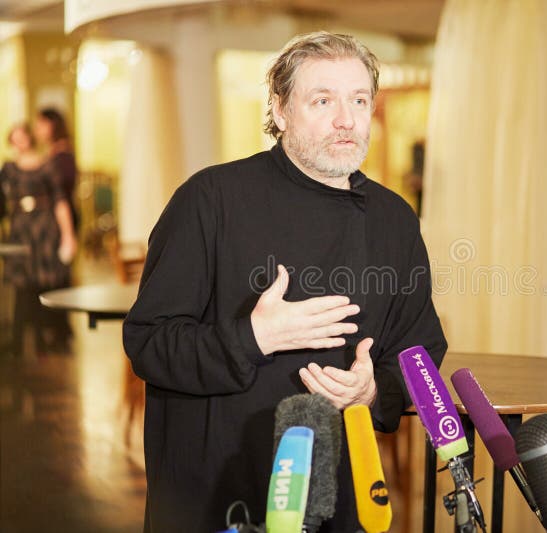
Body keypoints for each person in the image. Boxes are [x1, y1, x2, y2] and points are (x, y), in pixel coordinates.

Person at [123, 31, 447, 532]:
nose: (347, 120)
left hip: (337, 490)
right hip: (216, 488)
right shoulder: (211, 199)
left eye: (359, 100)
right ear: (279, 110)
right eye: (323, 100)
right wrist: (254, 337)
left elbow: (419, 346)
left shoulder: (394, 219)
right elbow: (148, 342)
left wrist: (373, 390)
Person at [1, 123, 77, 356]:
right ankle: (19, 340)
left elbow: (59, 200)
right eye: (15, 139)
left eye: (22, 137)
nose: (19, 142)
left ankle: (48, 338)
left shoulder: (47, 165)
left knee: (45, 283)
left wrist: (68, 235)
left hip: (44, 231)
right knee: (23, 287)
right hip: (21, 231)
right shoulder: (10, 169)